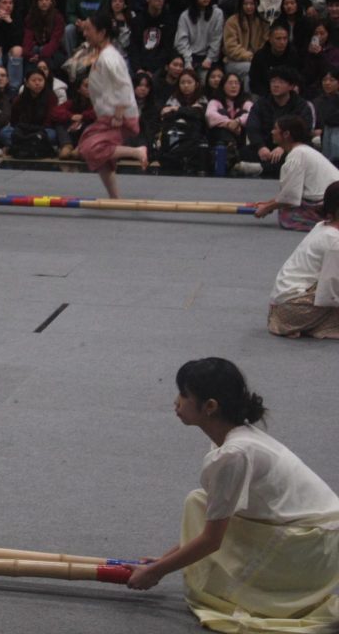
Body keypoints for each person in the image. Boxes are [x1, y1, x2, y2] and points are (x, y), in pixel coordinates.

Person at [126, 358, 339, 633]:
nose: (176, 402)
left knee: (205, 520)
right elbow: (217, 521)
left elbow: (212, 539)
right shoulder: (233, 439)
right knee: (199, 502)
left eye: (184, 395)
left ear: (210, 407)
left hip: (313, 544)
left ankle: (278, 592)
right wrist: (162, 559)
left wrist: (158, 571)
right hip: (312, 533)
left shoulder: (234, 454)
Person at [77, 11, 149, 199]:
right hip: (109, 113)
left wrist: (119, 113)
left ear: (101, 33)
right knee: (97, 153)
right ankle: (115, 198)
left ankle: (137, 151)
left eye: (89, 30)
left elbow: (123, 85)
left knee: (90, 147)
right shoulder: (101, 54)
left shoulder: (109, 56)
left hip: (120, 116)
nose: (85, 34)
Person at [268, 181, 339, 338]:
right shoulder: (335, 241)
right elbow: (330, 291)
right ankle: (319, 325)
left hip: (282, 305)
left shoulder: (322, 225)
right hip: (294, 309)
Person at [253, 116, 339, 231]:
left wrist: (267, 207)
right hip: (330, 198)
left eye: (275, 129)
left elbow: (290, 196)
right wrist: (268, 203)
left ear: (286, 134)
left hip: (330, 203)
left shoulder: (297, 155)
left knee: (286, 213)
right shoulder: (304, 150)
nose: (272, 132)